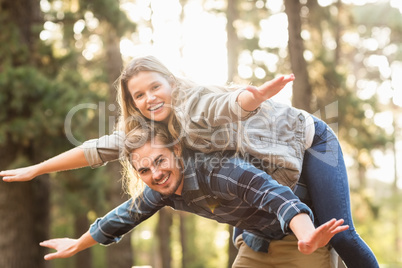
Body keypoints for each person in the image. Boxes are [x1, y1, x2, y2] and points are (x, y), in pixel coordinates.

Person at [0, 55, 379, 267]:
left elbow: (227, 105)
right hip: (262, 168)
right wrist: (39, 168)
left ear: (172, 84)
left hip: (307, 140)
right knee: (245, 201)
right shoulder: (150, 135)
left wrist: (252, 97)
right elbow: (96, 150)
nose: (149, 98)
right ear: (131, 104)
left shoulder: (192, 103)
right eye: (139, 95)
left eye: (155, 87)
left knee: (341, 233)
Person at [39, 122, 349, 267]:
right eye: (144, 171)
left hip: (303, 238)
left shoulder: (218, 171)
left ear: (176, 151)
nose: (156, 175)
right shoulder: (161, 190)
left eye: (160, 161)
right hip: (258, 245)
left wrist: (307, 236)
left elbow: (274, 195)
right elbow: (124, 216)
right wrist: (79, 243)